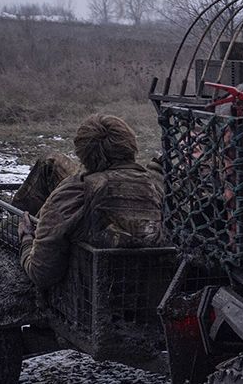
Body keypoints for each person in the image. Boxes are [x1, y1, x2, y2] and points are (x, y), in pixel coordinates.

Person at [17, 113, 164, 288]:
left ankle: (13, 226)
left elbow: (41, 274)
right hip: (150, 292)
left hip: (87, 293)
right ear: (132, 146)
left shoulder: (72, 194)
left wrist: (26, 239)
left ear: (81, 154)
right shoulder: (157, 187)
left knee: (49, 163)